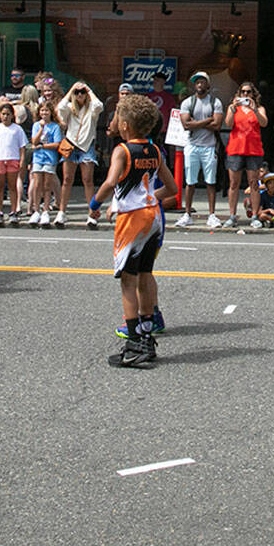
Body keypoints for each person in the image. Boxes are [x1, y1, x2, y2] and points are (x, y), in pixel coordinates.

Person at [92, 92, 171, 367]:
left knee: (128, 279)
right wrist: (149, 197)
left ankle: (134, 341)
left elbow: (111, 181)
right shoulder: (155, 150)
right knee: (146, 274)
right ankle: (148, 336)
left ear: (125, 125)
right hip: (153, 217)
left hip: (132, 221)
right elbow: (172, 190)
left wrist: (95, 203)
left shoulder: (122, 151)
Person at [176, 71, 225, 227]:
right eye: (197, 82)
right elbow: (185, 125)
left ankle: (212, 215)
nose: (199, 84)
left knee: (211, 182)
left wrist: (196, 122)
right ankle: (187, 214)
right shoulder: (187, 103)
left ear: (208, 84)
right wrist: (208, 120)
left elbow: (217, 125)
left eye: (202, 82)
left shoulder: (215, 102)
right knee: (190, 182)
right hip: (192, 146)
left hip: (209, 147)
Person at [56, 81, 106, 226]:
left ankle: (92, 213)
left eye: (82, 92)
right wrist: (71, 89)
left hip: (86, 146)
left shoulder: (91, 109)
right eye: (77, 93)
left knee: (88, 180)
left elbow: (99, 106)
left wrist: (88, 89)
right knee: (67, 179)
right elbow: (60, 107)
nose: (79, 95)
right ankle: (62, 212)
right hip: (71, 144)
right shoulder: (70, 109)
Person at [224, 81, 268, 228]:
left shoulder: (259, 108)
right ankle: (232, 215)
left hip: (253, 149)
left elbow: (264, 123)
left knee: (254, 183)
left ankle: (254, 216)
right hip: (236, 148)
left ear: (253, 94)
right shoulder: (234, 108)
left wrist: (254, 110)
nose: (245, 95)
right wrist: (233, 108)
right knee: (234, 183)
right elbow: (228, 123)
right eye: (243, 92)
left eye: (248, 92)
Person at [0, 101, 27, 223]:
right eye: (3, 114)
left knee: (12, 186)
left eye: (8, 114)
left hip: (12, 159)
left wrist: (22, 161)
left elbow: (22, 147)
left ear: (12, 115)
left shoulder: (17, 129)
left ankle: (13, 211)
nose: (5, 116)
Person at [26, 100, 63, 226]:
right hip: (38, 158)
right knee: (37, 185)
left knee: (47, 185)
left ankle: (45, 210)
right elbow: (34, 141)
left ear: (51, 112)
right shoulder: (36, 125)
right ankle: (36, 210)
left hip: (49, 158)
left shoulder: (55, 127)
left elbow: (57, 144)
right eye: (42, 110)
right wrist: (41, 129)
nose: (44, 113)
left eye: (46, 110)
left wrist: (43, 145)